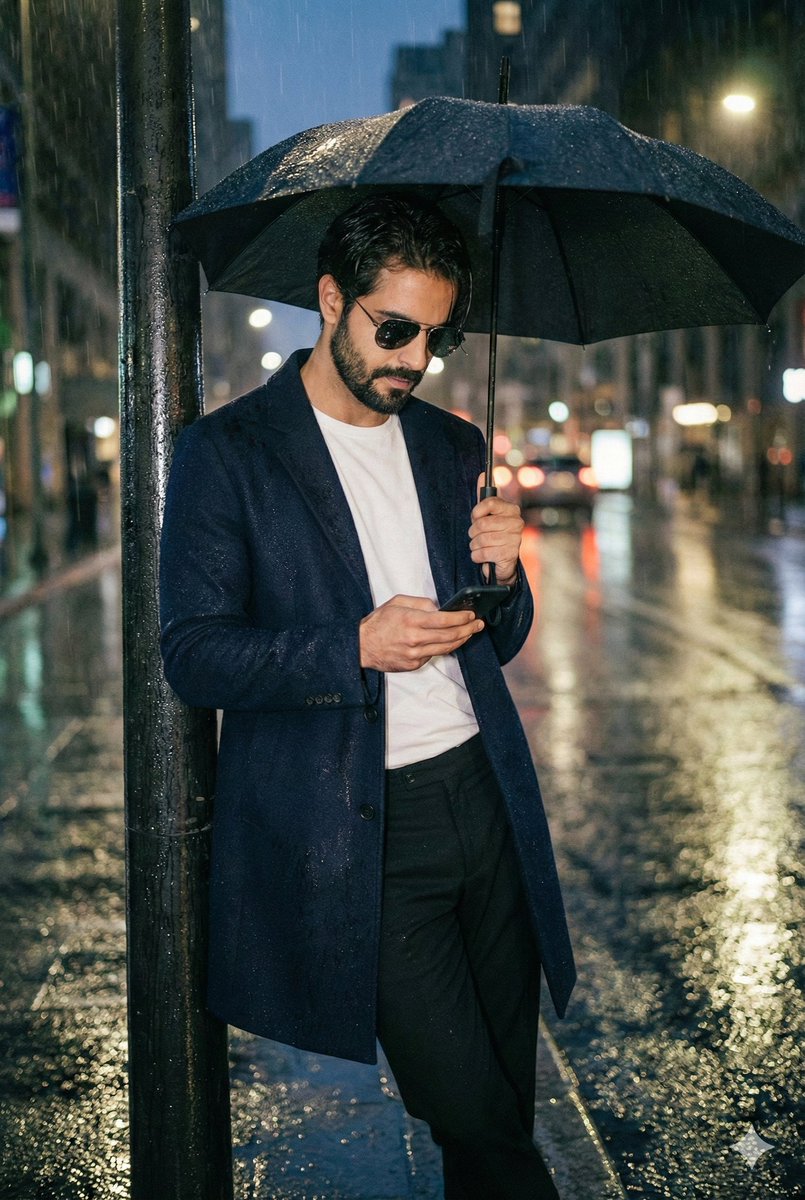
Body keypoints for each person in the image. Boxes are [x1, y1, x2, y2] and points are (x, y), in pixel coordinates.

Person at [159, 194, 575, 1199]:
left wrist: (506, 575)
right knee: (478, 1120)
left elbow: (497, 641)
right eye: (393, 329)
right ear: (331, 299)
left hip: (486, 803)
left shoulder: (449, 444)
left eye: (433, 337)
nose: (413, 357)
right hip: (361, 833)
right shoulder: (231, 453)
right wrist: (351, 646)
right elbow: (196, 655)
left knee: (495, 1121)